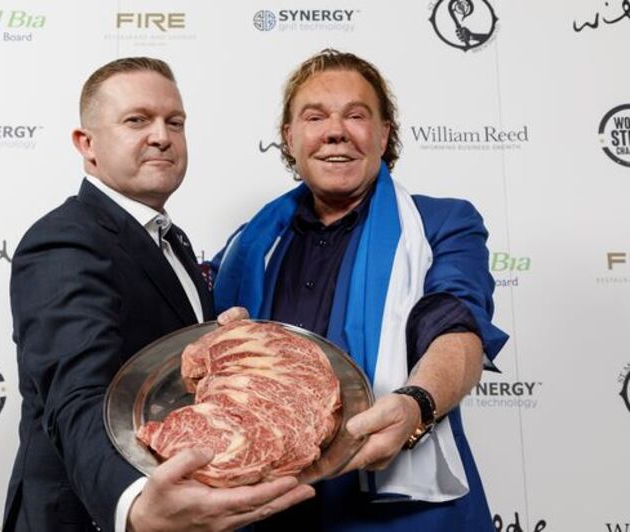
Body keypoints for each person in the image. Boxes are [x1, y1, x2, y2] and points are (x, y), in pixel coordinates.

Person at [2, 57, 314, 532]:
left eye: (175, 122)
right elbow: (77, 394)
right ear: (87, 145)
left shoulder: (170, 239)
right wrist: (134, 503)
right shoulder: (65, 240)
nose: (162, 136)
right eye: (136, 120)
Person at [211, 49, 509, 531]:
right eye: (314, 117)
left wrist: (417, 404)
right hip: (269, 507)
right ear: (290, 138)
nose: (335, 131)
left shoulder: (441, 224)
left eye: (355, 115)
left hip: (403, 514)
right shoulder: (250, 245)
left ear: (384, 134)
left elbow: (456, 325)